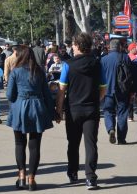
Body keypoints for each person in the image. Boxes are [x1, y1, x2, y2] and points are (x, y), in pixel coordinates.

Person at [56, 33, 106, 190]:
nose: (71, 46)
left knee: (73, 143)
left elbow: (62, 89)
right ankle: (91, 178)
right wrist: (95, 99)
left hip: (73, 109)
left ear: (77, 46)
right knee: (91, 144)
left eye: (72, 44)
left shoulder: (68, 65)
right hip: (92, 109)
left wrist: (59, 109)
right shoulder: (97, 64)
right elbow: (103, 88)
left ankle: (73, 173)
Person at [6, 46, 56, 191]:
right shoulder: (39, 71)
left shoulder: (15, 72)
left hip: (20, 108)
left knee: (19, 143)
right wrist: (53, 112)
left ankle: (21, 176)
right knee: (35, 146)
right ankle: (31, 179)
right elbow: (47, 94)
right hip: (37, 108)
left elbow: (9, 95)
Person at [101, 39, 131, 145]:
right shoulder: (126, 58)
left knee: (108, 111)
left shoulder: (104, 60)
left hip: (107, 91)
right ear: (120, 47)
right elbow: (130, 76)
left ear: (109, 47)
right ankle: (121, 138)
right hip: (123, 91)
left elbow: (100, 77)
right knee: (122, 114)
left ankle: (110, 129)